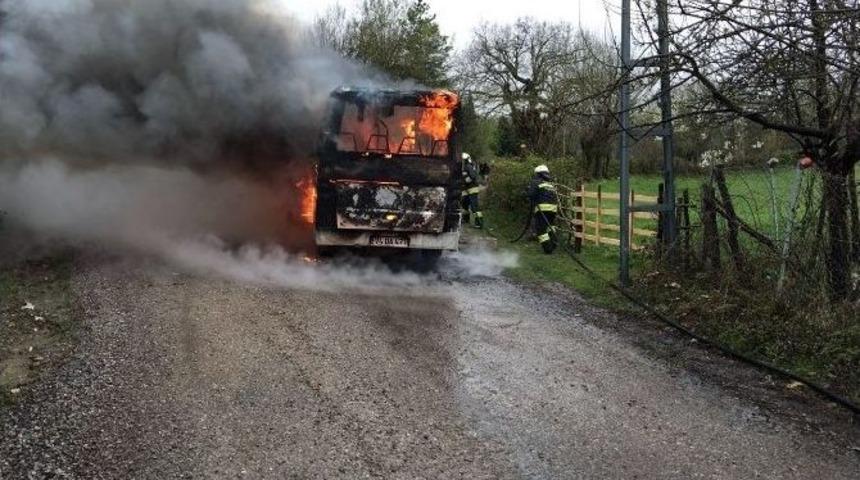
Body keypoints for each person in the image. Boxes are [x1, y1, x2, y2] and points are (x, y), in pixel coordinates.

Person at [527, 164, 559, 253]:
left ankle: (548, 249)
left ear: (538, 174)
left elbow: (531, 195)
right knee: (550, 226)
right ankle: (554, 242)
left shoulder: (536, 182)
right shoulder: (550, 184)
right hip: (553, 210)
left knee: (541, 230)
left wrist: (528, 190)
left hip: (542, 209)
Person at [460, 152, 483, 228]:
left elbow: (473, 176)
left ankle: (479, 223)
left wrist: (467, 181)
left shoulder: (468, 166)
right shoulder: (463, 167)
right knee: (464, 204)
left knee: (474, 206)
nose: (462, 161)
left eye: (463, 160)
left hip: (472, 188)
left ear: (466, 160)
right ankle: (466, 219)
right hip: (465, 189)